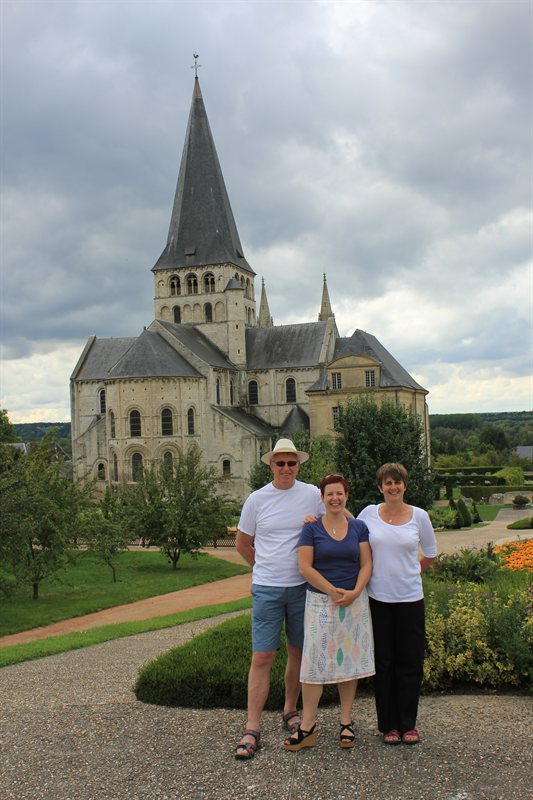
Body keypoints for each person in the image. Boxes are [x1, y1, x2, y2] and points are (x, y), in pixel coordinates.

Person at [234, 438, 326, 760]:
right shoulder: (257, 500)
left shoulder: (313, 495)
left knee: (298, 652)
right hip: (268, 588)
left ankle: (290, 710)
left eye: (292, 463)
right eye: (280, 463)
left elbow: (339, 519)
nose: (286, 468)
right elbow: (243, 543)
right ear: (270, 465)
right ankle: (252, 727)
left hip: (302, 587)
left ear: (299, 465)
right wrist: (264, 567)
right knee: (262, 657)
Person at [284, 473, 375, 751]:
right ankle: (307, 726)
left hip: (353, 603)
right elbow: (305, 567)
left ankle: (346, 722)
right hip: (321, 603)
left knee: (349, 663)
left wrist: (356, 591)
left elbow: (366, 563)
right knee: (314, 664)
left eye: (339, 493)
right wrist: (331, 590)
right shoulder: (312, 529)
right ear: (322, 499)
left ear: (346, 496)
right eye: (329, 494)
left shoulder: (358, 527)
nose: (334, 498)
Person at [357, 462, 437, 745]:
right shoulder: (368, 514)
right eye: (387, 483)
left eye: (397, 482)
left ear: (404, 485)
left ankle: (408, 724)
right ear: (380, 488)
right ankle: (388, 725)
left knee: (410, 661)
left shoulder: (419, 516)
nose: (393, 487)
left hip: (410, 599)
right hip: (378, 599)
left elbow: (429, 554)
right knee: (384, 662)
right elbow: (348, 531)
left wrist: (409, 574)